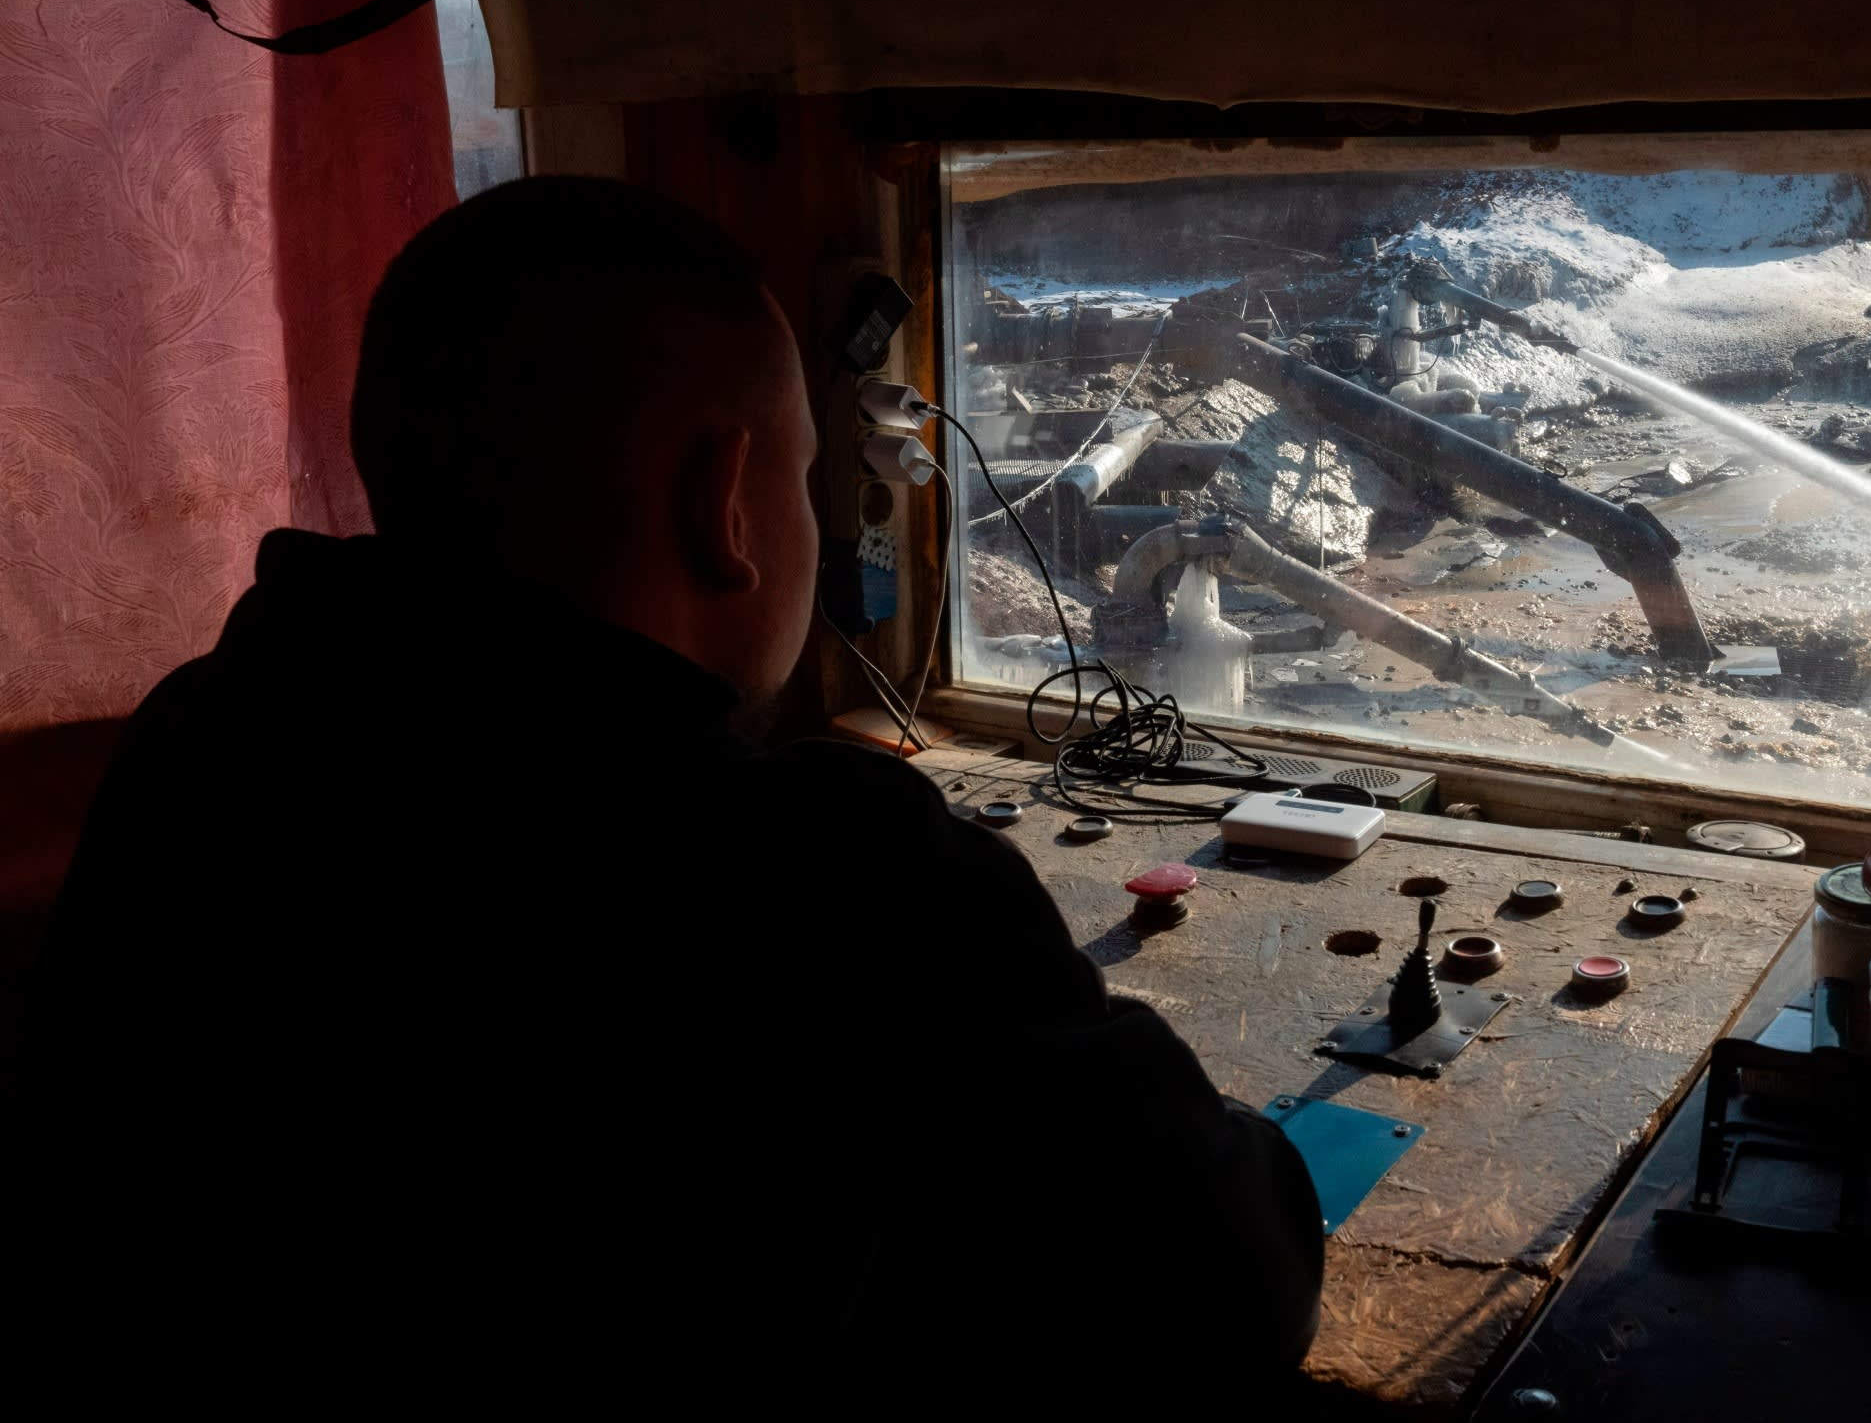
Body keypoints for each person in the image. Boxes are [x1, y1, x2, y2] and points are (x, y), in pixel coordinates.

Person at [28, 177, 1323, 1411]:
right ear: (725, 504)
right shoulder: (830, 872)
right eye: (810, 479)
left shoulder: (200, 743)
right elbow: (1230, 1290)